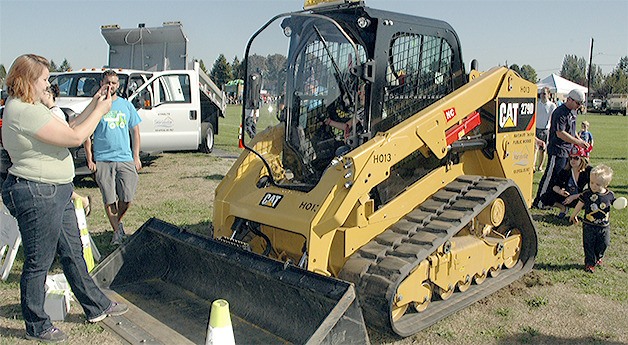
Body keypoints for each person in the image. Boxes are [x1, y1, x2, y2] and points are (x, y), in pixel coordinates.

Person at [1, 54, 128, 343]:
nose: (48, 85)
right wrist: (101, 111)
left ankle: (96, 306)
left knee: (73, 253)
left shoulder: (31, 107)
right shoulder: (23, 110)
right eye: (44, 79)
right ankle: (37, 324)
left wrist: (96, 103)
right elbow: (75, 139)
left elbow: (69, 128)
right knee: (39, 262)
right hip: (37, 193)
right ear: (27, 80)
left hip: (56, 191)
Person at [84, 69, 142, 245]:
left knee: (127, 198)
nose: (111, 86)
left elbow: (135, 131)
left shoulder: (126, 105)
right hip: (103, 158)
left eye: (114, 83)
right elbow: (87, 134)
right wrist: (90, 158)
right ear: (102, 83)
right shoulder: (97, 106)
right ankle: (117, 232)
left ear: (118, 85)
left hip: (124, 158)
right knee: (109, 199)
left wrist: (136, 156)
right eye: (107, 82)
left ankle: (118, 223)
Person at [533, 89, 590, 208]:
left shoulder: (573, 112)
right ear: (570, 99)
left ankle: (550, 201)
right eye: (577, 103)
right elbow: (560, 133)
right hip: (557, 149)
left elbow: (572, 131)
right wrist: (578, 142)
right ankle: (539, 201)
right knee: (550, 176)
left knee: (559, 178)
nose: (579, 106)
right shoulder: (560, 112)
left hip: (567, 150)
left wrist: (581, 140)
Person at [41, 84, 92, 216]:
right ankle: (83, 201)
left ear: (49, 94)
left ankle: (82, 203)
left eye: (42, 93)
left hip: (56, 160)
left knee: (59, 190)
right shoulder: (51, 112)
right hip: (54, 160)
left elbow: (65, 134)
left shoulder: (55, 113)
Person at [569, 164, 616, 273]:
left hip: (604, 226)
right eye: (591, 183)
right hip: (589, 225)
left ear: (606, 184)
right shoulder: (587, 194)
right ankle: (590, 263)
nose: (593, 186)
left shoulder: (610, 195)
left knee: (604, 243)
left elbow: (616, 203)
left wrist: (622, 203)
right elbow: (580, 204)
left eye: (597, 184)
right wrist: (574, 215)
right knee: (588, 245)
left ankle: (599, 257)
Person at [539, 145, 592, 218]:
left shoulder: (589, 172)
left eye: (576, 158)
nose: (572, 160)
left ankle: (589, 215)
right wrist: (560, 191)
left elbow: (590, 191)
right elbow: (555, 186)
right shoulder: (566, 171)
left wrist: (574, 197)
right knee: (546, 197)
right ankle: (563, 208)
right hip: (567, 198)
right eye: (571, 158)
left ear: (582, 159)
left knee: (592, 198)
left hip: (581, 198)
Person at [534, 87, 557, 172]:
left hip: (546, 129)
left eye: (544, 93)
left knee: (543, 149)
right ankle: (533, 166)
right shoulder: (537, 104)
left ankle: (540, 166)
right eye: (541, 93)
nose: (542, 95)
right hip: (536, 128)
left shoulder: (552, 105)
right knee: (535, 148)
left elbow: (554, 118)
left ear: (548, 94)